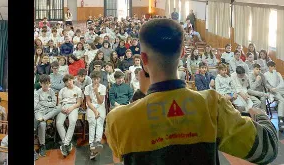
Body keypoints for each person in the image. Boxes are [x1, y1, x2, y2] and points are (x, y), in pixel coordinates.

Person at [106, 19, 277, 164]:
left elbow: (117, 155)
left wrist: (142, 94)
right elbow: (268, 149)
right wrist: (261, 115)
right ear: (182, 53)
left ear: (143, 58)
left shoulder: (118, 118)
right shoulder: (212, 104)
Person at [56, 74, 82, 158]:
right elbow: (59, 103)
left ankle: (65, 143)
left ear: (73, 80)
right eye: (67, 81)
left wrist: (72, 107)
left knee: (73, 121)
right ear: (65, 83)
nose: (69, 82)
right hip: (63, 106)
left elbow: (79, 103)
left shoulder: (78, 89)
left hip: (73, 106)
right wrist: (61, 108)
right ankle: (67, 143)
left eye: (70, 80)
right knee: (58, 123)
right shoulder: (62, 90)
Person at [33, 75, 58, 157]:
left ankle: (42, 119)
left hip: (49, 112)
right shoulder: (37, 93)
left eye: (47, 83)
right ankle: (42, 145)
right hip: (39, 111)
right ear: (41, 84)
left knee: (59, 108)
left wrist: (42, 103)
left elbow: (54, 104)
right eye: (44, 84)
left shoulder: (52, 91)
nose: (46, 85)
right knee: (42, 124)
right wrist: (47, 104)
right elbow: (35, 106)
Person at [84, 71, 107, 159]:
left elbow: (101, 101)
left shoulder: (103, 87)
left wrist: (96, 92)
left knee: (99, 122)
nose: (96, 81)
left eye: (97, 79)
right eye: (94, 79)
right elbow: (88, 101)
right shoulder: (87, 87)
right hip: (91, 107)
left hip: (100, 106)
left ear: (100, 79)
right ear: (92, 79)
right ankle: (91, 144)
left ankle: (97, 142)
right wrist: (95, 111)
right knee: (92, 122)